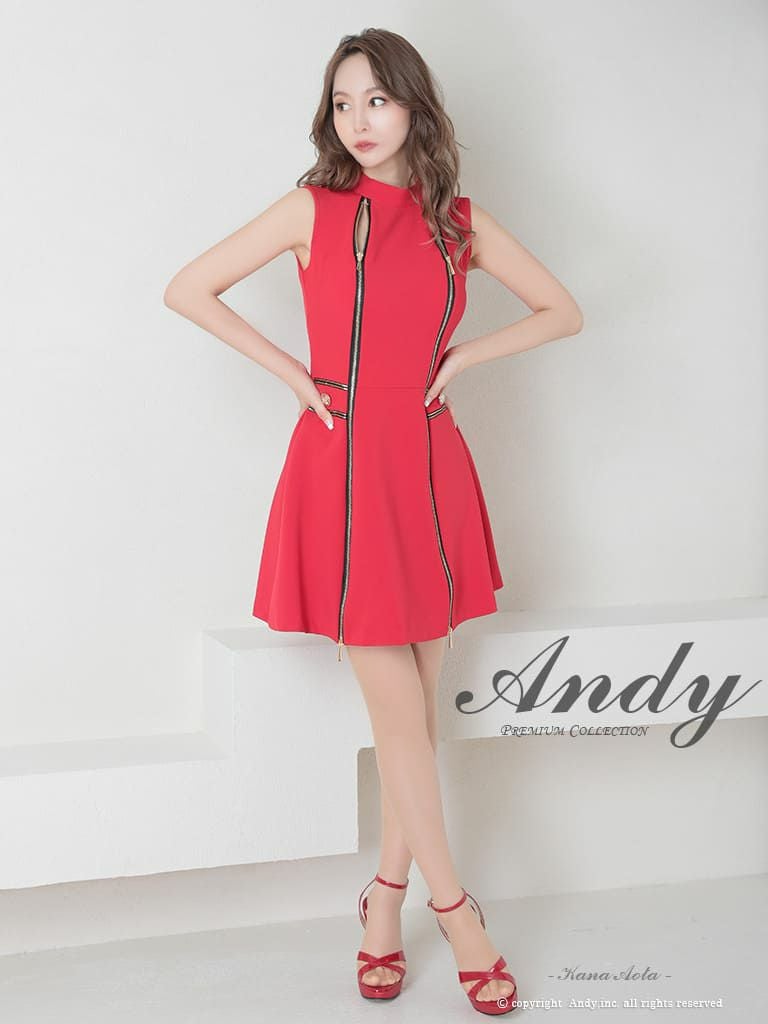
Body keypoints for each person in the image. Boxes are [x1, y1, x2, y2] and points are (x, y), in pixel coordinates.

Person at [164, 26, 582, 1017]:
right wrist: (294, 376)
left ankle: (383, 899)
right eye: (343, 102)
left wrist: (464, 358)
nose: (358, 119)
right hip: (343, 464)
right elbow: (188, 289)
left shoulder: (459, 222)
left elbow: (561, 310)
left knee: (412, 719)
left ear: (414, 107)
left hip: (429, 464)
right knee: (398, 711)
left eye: (377, 100)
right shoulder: (311, 208)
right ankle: (458, 911)